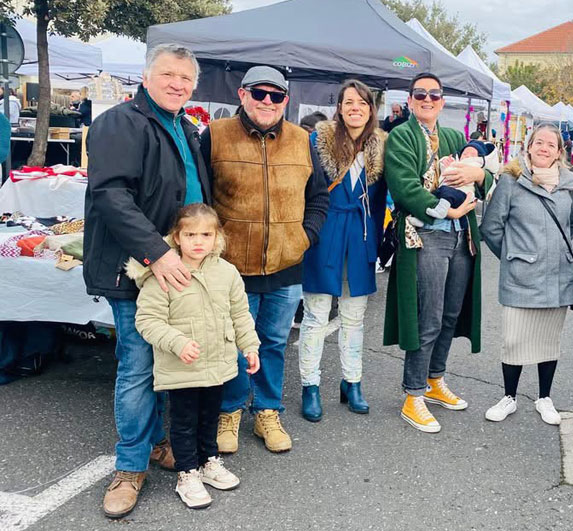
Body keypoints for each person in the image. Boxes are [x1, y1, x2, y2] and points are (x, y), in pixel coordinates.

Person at [84, 43, 209, 519]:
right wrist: (156, 252)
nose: (178, 84)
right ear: (146, 76)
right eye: (169, 74)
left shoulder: (185, 127)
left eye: (186, 78)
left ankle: (156, 442)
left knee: (165, 361)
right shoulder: (121, 122)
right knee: (138, 364)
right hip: (137, 267)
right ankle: (130, 467)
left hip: (176, 267)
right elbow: (111, 195)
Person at [201, 65, 328, 454]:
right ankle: (230, 411)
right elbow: (200, 198)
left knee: (273, 342)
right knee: (233, 344)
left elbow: (319, 197)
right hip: (232, 267)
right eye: (259, 93)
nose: (267, 102)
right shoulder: (215, 135)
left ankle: (267, 412)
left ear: (286, 101)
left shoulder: (302, 140)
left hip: (286, 265)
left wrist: (305, 237)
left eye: (276, 96)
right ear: (242, 95)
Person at [383, 72, 493, 433]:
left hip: (462, 237)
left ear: (442, 102)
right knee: (427, 317)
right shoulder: (401, 136)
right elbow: (404, 188)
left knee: (450, 314)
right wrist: (449, 211)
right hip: (425, 236)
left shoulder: (454, 137)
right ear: (410, 100)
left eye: (434, 95)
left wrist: (478, 176)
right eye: (420, 94)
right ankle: (413, 395)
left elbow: (486, 176)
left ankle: (434, 379)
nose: (427, 100)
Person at [130, 204, 260, 509]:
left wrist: (250, 346)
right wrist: (177, 343)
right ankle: (187, 473)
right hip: (181, 368)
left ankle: (208, 461)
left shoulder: (226, 272)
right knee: (184, 421)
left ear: (217, 238)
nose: (198, 241)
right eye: (190, 235)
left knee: (209, 416)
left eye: (205, 235)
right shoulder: (163, 274)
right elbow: (147, 320)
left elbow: (240, 314)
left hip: (217, 365)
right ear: (177, 237)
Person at [298, 80, 389, 421]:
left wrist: (376, 243)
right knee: (316, 315)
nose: (355, 108)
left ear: (370, 109)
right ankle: (310, 385)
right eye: (349, 102)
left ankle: (352, 382)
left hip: (361, 234)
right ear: (339, 107)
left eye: (362, 103)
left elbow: (380, 201)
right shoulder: (317, 141)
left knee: (354, 316)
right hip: (325, 231)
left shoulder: (380, 145)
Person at [479, 123, 573, 427]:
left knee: (549, 341)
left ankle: (544, 397)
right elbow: (491, 227)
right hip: (521, 277)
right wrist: (515, 257)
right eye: (539, 142)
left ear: (559, 152)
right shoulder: (511, 180)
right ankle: (509, 397)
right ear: (529, 146)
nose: (544, 148)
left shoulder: (569, 184)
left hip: (558, 276)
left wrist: (553, 253)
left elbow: (572, 225)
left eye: (551, 144)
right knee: (514, 340)